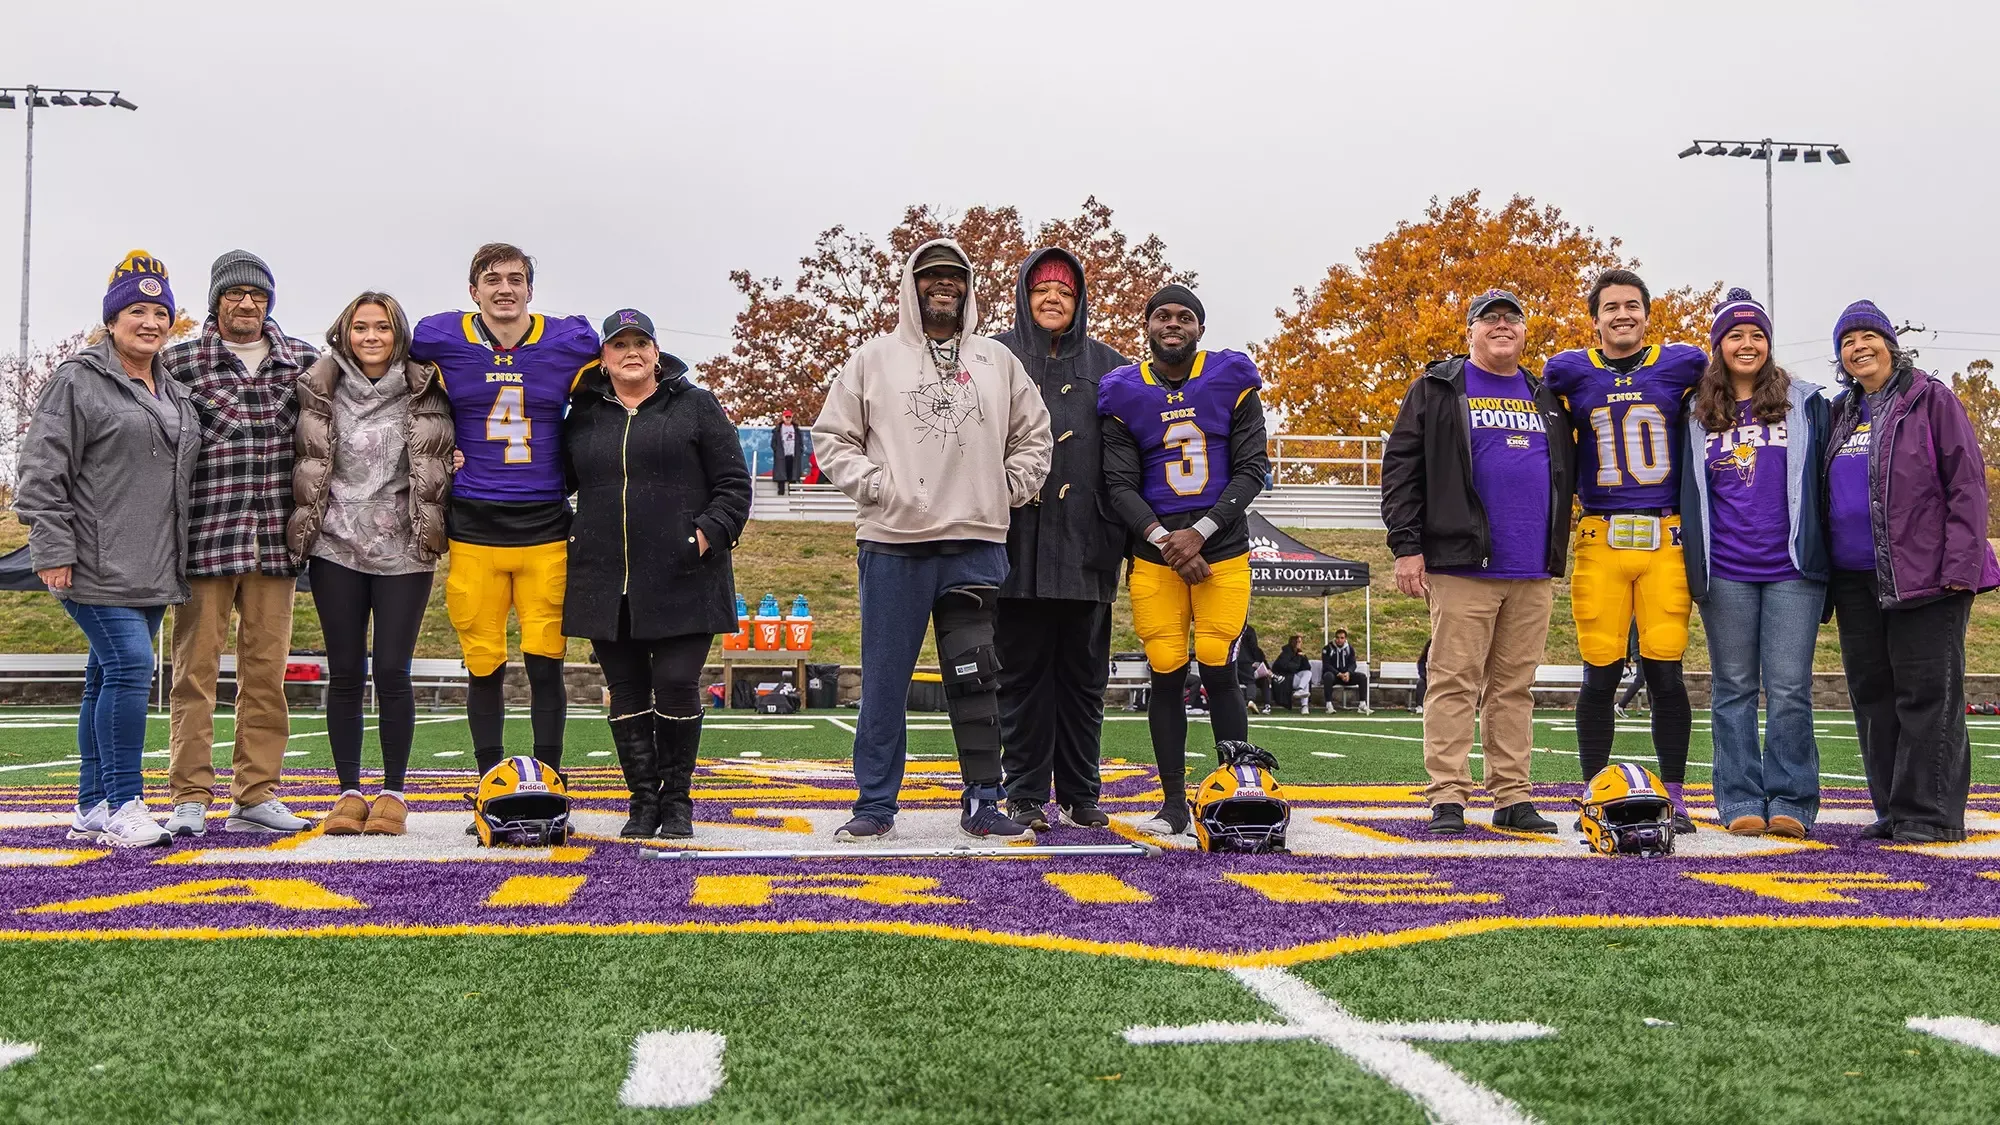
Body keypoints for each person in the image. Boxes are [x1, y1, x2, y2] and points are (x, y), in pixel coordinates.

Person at [812, 238, 1052, 843]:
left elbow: (1036, 435)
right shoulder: (873, 359)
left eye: (954, 277)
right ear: (910, 285)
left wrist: (1008, 487)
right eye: (930, 276)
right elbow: (832, 437)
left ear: (968, 288)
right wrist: (875, 488)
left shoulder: (998, 361)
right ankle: (874, 804)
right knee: (886, 678)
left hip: (975, 540)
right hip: (894, 541)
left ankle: (983, 800)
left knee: (975, 680)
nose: (943, 285)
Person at [17, 250, 200, 848]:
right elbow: (42, 470)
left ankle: (91, 804)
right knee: (128, 666)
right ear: (112, 318)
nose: (149, 322)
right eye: (136, 311)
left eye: (160, 313)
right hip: (93, 558)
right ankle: (125, 801)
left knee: (104, 675)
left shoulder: (171, 385)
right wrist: (50, 546)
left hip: (153, 560)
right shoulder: (78, 379)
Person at [1382, 289, 1575, 835]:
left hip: (1532, 566)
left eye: (1511, 318)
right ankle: (1447, 794)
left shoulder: (1544, 394)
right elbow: (1401, 469)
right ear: (1469, 332)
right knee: (1454, 682)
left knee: (1515, 687)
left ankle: (1512, 795)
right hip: (1462, 562)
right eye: (1488, 319)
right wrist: (1406, 545)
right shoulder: (1438, 387)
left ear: (1524, 330)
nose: (1501, 326)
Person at [410, 244, 600, 787]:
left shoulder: (568, 341)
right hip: (473, 526)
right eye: (491, 279)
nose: (504, 288)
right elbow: (396, 376)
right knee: (484, 662)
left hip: (545, 524)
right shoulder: (441, 337)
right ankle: (489, 781)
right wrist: (438, 443)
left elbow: (611, 370)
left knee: (546, 660)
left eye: (516, 278)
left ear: (530, 290)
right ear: (473, 291)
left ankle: (552, 780)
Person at [565, 310, 751, 839]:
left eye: (640, 342)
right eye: (619, 343)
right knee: (625, 691)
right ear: (603, 357)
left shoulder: (695, 405)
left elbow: (734, 485)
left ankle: (678, 802)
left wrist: (705, 534)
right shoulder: (582, 415)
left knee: (674, 684)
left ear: (656, 351)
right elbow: (547, 479)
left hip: (683, 576)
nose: (631, 352)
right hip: (605, 579)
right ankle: (642, 802)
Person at [1824, 300, 1999, 844]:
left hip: (1926, 575)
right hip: (1857, 580)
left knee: (1927, 695)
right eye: (1848, 341)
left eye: (1868, 336)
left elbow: (1967, 485)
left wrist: (1962, 567)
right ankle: (1893, 810)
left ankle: (1930, 814)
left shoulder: (1930, 399)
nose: (1859, 347)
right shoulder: (1841, 412)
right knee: (1874, 697)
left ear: (1889, 343)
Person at [1541, 269, 1708, 832]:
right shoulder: (1569, 370)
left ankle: (1678, 796)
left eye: (1631, 306)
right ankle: (1594, 788)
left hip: (1666, 538)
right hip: (1600, 537)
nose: (1622, 315)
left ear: (1646, 314)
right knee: (1599, 673)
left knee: (1666, 672)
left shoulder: (1682, 363)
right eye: (1610, 307)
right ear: (1595, 319)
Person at [1100, 284, 1271, 836]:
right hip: (1155, 552)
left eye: (1185, 317)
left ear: (1200, 328)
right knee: (1167, 668)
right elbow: (1118, 484)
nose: (1173, 324)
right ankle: (1174, 799)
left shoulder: (1230, 377)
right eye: (1162, 316)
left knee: (1220, 662)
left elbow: (1251, 470)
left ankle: (1235, 787)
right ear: (1146, 326)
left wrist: (1198, 533)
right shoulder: (1124, 391)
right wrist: (1167, 541)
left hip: (1219, 544)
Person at [161, 250, 318, 836]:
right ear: (216, 301)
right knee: (194, 673)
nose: (245, 303)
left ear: (268, 302)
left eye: (256, 294)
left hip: (277, 542)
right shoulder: (178, 362)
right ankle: (189, 796)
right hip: (205, 537)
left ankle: (255, 793)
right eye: (234, 294)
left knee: (265, 673)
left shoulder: (304, 361)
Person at [289, 292, 454, 837]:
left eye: (382, 327)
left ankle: (393, 792)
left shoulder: (427, 386)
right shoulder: (319, 386)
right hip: (336, 542)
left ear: (398, 333)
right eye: (360, 327)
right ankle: (347, 792)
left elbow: (454, 441)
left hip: (405, 546)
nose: (371, 336)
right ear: (345, 332)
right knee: (345, 672)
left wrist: (456, 459)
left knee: (390, 670)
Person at [1680, 289, 1831, 838]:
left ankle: (1793, 799)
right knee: (1734, 687)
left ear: (1770, 343)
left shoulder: (1808, 402)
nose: (1747, 344)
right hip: (1727, 571)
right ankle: (1740, 796)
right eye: (1735, 335)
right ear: (1718, 345)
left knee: (1790, 687)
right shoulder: (1695, 411)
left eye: (1757, 334)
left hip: (1793, 567)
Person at [991, 248, 1130, 831]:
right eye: (1043, 289)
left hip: (1087, 545)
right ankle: (1022, 793)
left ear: (1080, 302)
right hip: (1013, 543)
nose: (1053, 300)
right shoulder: (992, 355)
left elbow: (1128, 458)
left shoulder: (1111, 366)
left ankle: (1080, 791)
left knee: (1083, 678)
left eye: (1065, 292)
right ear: (1025, 294)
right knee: (1020, 676)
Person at [1320, 627, 1371, 713]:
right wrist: (1338, 673)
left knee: (1362, 677)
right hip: (1334, 676)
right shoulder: (1327, 648)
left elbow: (1353, 663)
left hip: (1346, 676)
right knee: (1327, 676)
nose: (1339, 640)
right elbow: (1326, 665)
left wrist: (1348, 673)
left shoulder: (1349, 649)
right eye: (1337, 638)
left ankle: (1362, 704)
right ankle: (1329, 705)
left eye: (1342, 638)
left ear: (1345, 639)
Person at [1235, 622, 1273, 714]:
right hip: (1247, 662)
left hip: (1233, 662)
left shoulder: (1232, 628)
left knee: (1262, 680)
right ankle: (1251, 701)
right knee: (1250, 681)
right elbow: (1254, 647)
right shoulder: (1249, 630)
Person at [1271, 633, 1314, 712]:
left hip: (1294, 677)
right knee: (1305, 683)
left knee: (1308, 674)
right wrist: (1298, 658)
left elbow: (1307, 668)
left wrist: (1304, 658)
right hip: (1284, 678)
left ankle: (1300, 690)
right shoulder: (1286, 653)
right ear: (1295, 643)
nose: (1301, 644)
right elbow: (1291, 668)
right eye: (1299, 642)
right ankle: (1304, 706)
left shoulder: (1299, 652)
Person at [769, 409, 805, 495]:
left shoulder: (796, 429)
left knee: (792, 475)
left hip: (793, 455)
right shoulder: (778, 429)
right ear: (783, 418)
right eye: (786, 417)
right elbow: (773, 443)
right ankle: (780, 493)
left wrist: (799, 450)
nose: (788, 418)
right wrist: (777, 451)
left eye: (789, 417)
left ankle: (792, 493)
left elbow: (800, 443)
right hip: (782, 455)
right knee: (781, 475)